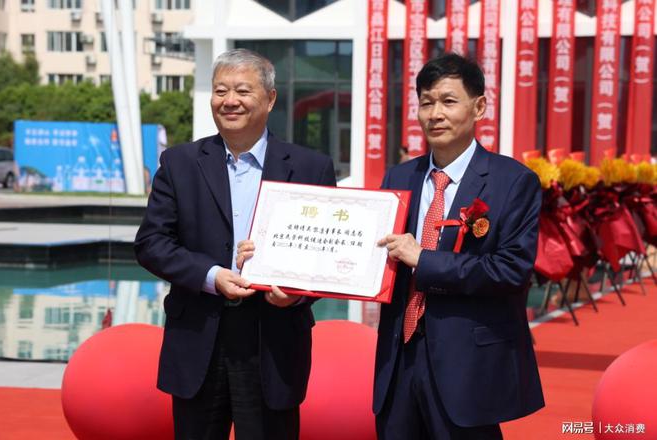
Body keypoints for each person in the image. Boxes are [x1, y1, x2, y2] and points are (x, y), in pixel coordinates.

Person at [134, 48, 336, 440]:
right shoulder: (179, 163)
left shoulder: (311, 167)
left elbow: (325, 255)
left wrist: (296, 295)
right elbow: (151, 243)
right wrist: (211, 275)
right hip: (199, 338)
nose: (229, 101)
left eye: (242, 91)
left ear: (270, 99)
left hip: (273, 343)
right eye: (220, 90)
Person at [375, 53, 545, 439]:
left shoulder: (512, 181)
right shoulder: (399, 177)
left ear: (479, 107)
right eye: (426, 102)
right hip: (399, 359)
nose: (435, 113)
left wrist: (424, 260)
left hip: (467, 366)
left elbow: (511, 270)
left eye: (448, 101)